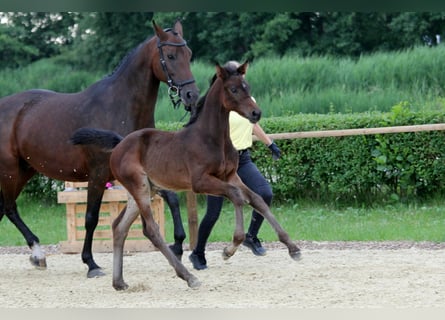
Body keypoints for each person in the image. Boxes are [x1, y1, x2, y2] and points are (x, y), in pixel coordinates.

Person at [189, 60, 281, 270]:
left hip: (242, 159)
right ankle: (198, 252)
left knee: (264, 193)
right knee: (213, 213)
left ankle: (251, 236)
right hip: (219, 162)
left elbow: (253, 124)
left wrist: (270, 144)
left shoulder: (246, 99)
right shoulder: (224, 100)